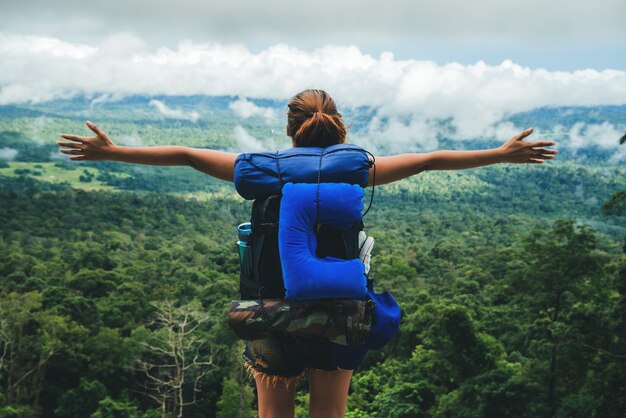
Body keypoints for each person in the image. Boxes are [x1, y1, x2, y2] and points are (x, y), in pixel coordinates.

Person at [57, 89, 558, 418]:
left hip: (269, 312)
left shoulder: (261, 169)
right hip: (340, 314)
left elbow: (187, 155)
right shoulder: (354, 168)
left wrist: (113, 151)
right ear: (337, 126)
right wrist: (500, 153)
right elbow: (427, 161)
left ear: (290, 128)